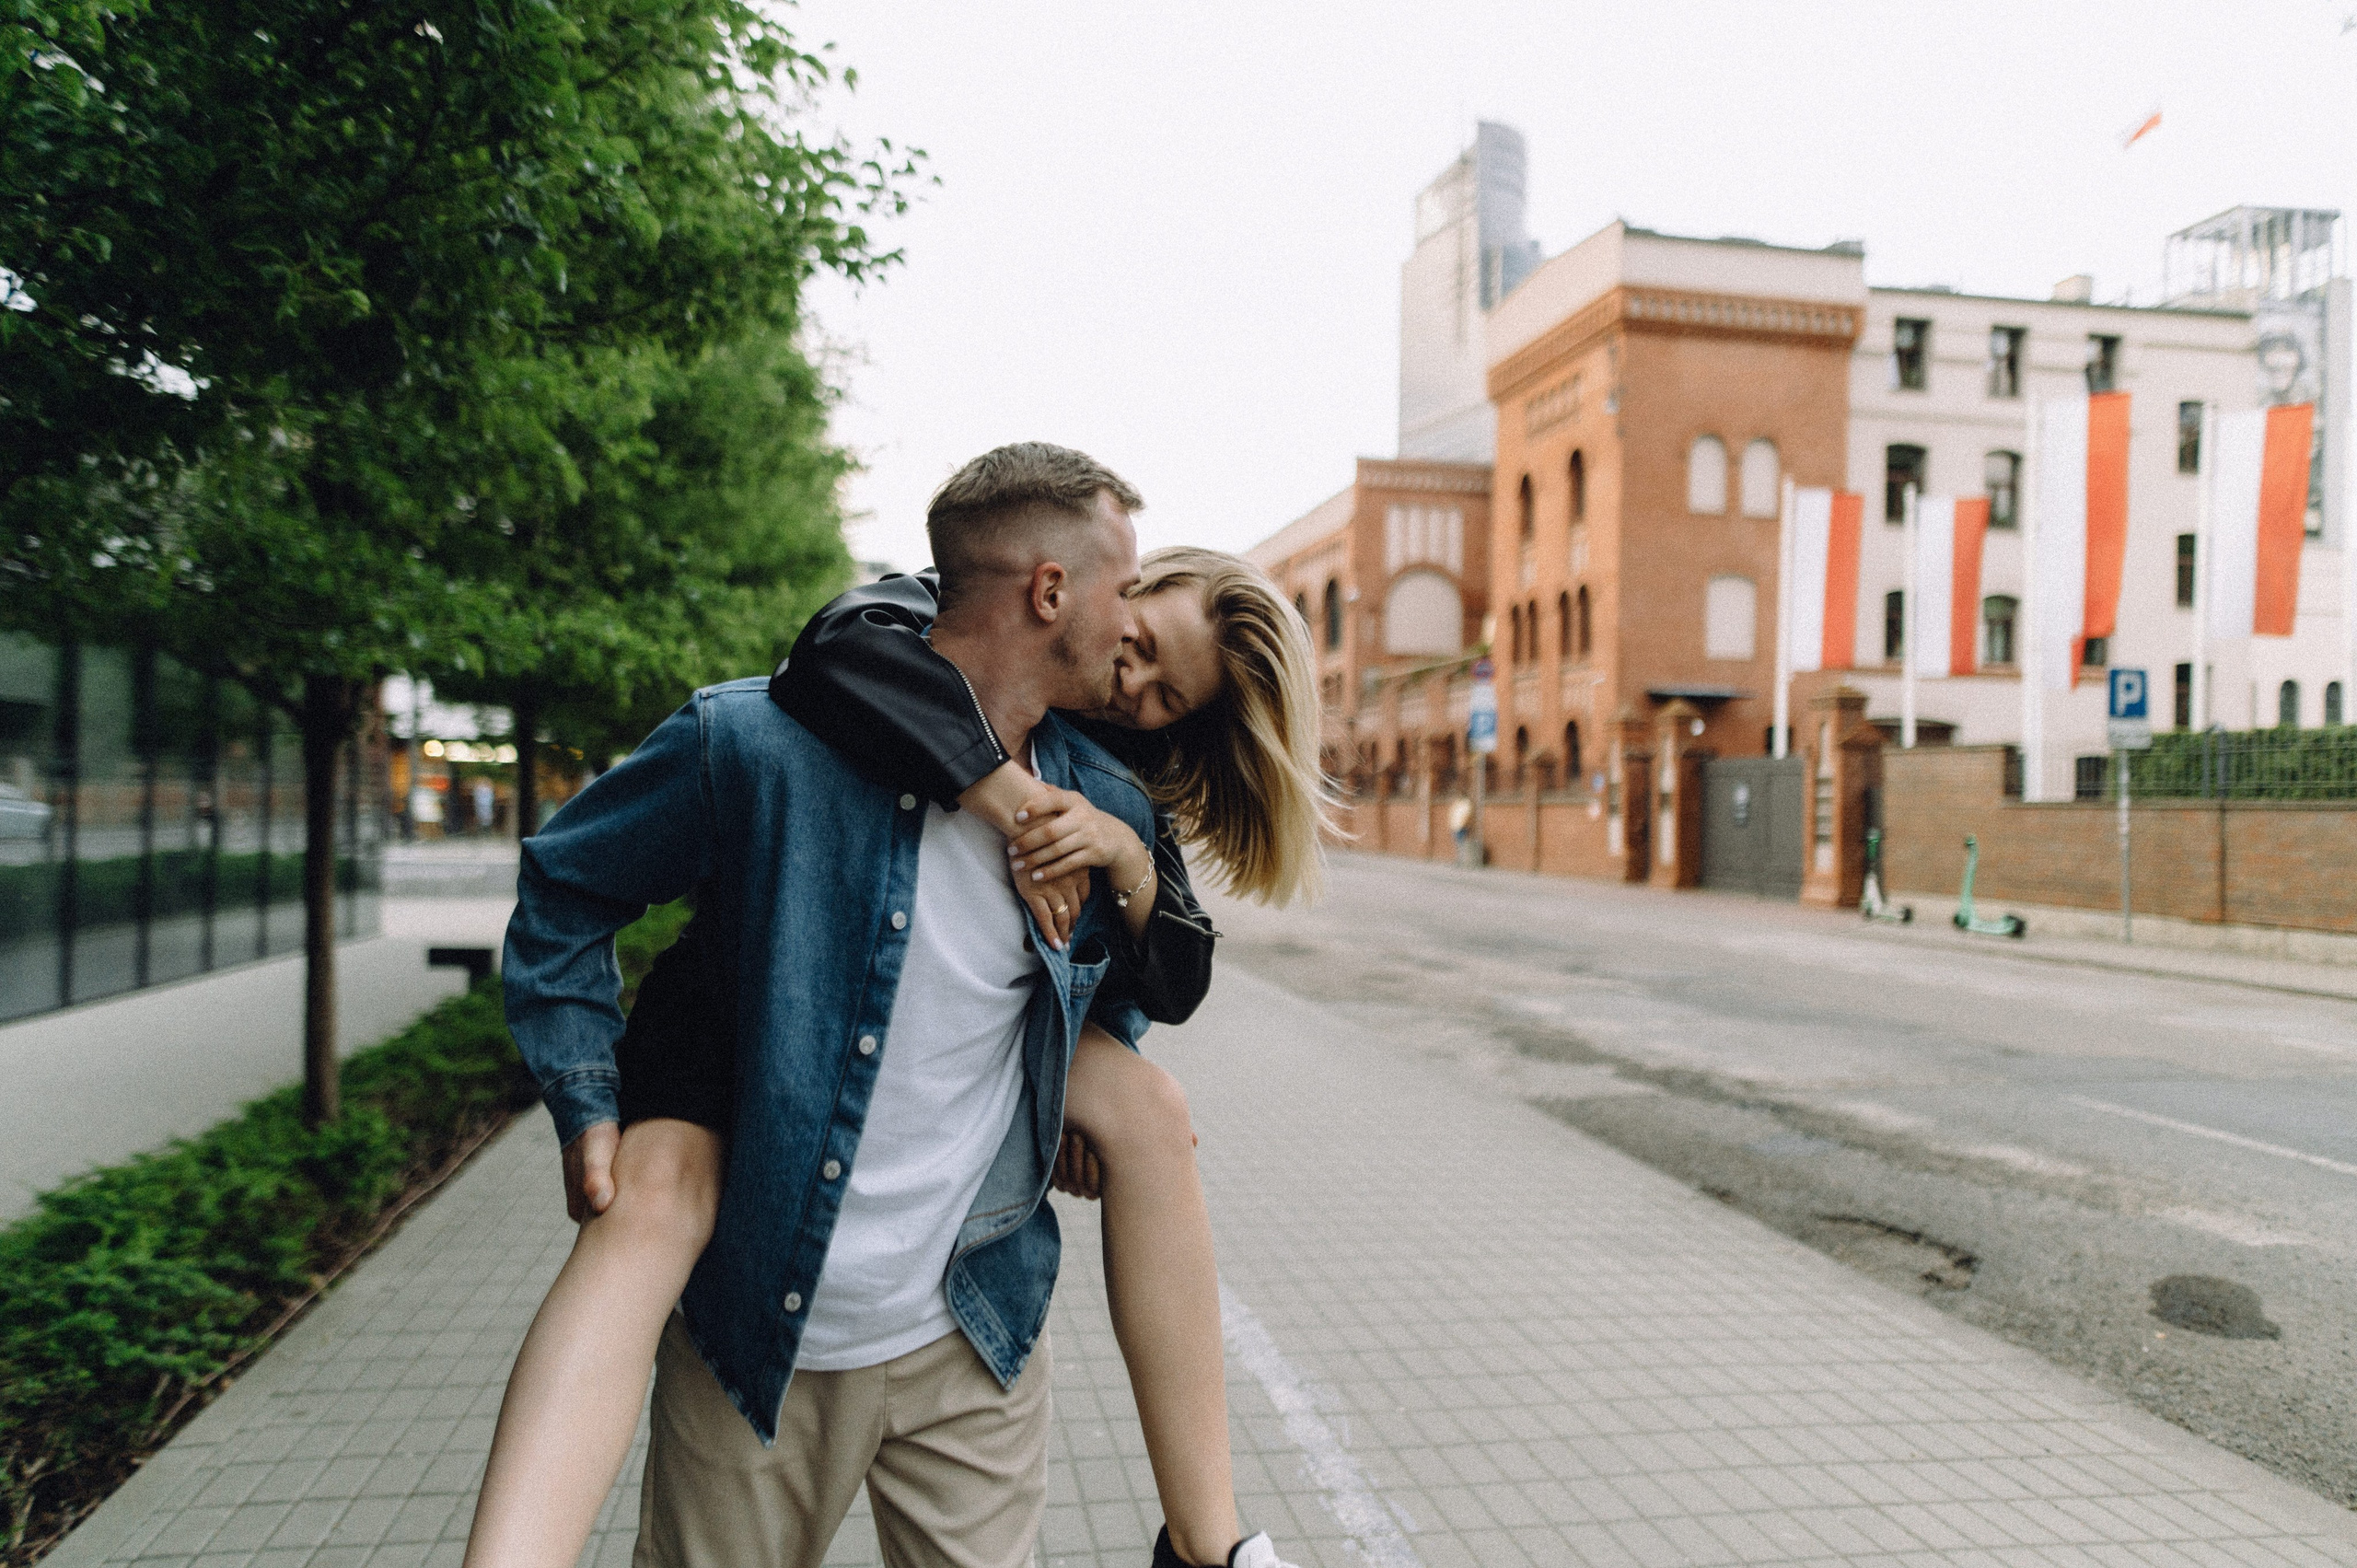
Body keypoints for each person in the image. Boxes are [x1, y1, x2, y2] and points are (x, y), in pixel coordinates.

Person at [484, 447, 1329, 1568]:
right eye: (1132, 619)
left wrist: (1108, 929)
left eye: (1168, 694)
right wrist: (588, 1090)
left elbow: (1149, 975)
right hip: (753, 1298)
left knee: (1151, 1110)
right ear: (1052, 589)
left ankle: (1210, 1544)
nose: (1135, 677)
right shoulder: (773, 731)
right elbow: (829, 653)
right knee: (650, 1204)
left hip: (972, 1329)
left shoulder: (1112, 794)